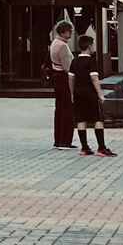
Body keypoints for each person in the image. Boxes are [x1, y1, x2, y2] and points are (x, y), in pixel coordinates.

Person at [68, 35, 116, 156]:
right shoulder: (91, 61)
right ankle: (101, 147)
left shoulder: (74, 61)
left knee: (81, 119)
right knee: (98, 119)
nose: (94, 48)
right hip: (89, 92)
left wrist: (72, 94)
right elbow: (94, 78)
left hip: (78, 92)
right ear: (89, 46)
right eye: (93, 45)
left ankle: (84, 148)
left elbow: (70, 78)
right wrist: (100, 94)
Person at [49, 20, 75, 149]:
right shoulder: (63, 46)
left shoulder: (54, 43)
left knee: (59, 109)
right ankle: (65, 140)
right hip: (64, 78)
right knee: (67, 109)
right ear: (63, 32)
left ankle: (58, 139)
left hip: (56, 77)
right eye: (69, 30)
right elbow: (67, 67)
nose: (71, 33)